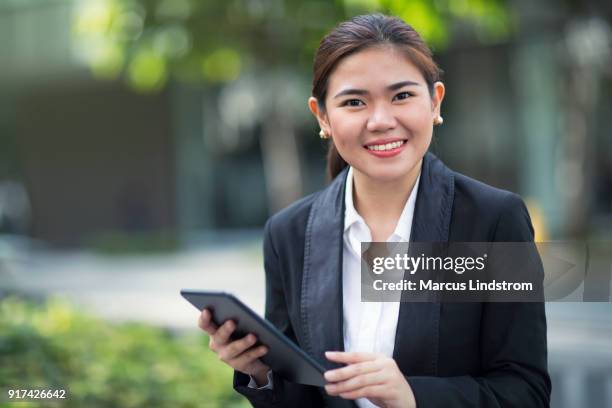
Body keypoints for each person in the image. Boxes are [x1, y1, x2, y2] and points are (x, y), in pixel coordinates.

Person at [198, 14, 551, 408]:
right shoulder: (290, 234)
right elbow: (303, 397)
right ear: (322, 117)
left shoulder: (492, 220)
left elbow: (525, 392)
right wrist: (260, 372)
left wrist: (414, 397)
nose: (381, 121)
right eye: (354, 102)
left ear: (434, 101)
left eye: (402, 96)